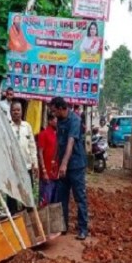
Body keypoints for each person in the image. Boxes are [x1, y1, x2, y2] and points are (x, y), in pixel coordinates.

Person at [49, 96, 89, 241]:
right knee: (62, 197)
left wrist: (64, 164)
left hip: (76, 165)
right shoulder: (60, 120)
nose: (53, 114)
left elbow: (70, 143)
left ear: (61, 108)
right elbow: (59, 142)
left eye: (54, 111)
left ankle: (83, 229)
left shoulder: (75, 120)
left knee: (80, 197)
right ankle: (63, 226)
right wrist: (55, 160)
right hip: (62, 165)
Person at [8, 101, 38, 213]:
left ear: (21, 112)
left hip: (27, 166)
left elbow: (32, 146)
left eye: (18, 110)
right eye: (13, 110)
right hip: (13, 166)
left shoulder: (27, 126)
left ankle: (29, 213)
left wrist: (35, 163)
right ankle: (13, 214)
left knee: (27, 191)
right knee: (12, 192)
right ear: (10, 112)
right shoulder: (7, 127)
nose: (16, 112)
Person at [37, 114, 59, 207]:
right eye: (56, 120)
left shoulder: (58, 134)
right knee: (45, 200)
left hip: (56, 173)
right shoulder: (43, 134)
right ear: (50, 121)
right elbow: (40, 153)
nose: (57, 122)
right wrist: (44, 170)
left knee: (55, 201)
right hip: (47, 173)